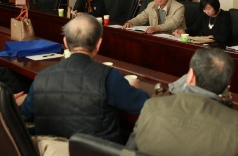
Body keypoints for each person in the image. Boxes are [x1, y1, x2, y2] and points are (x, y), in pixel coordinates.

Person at [20, 13, 148, 142]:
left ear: (65, 42)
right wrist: (129, 89)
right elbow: (145, 105)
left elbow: (24, 114)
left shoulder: (41, 77)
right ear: (99, 44)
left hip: (51, 152)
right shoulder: (109, 76)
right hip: (97, 154)